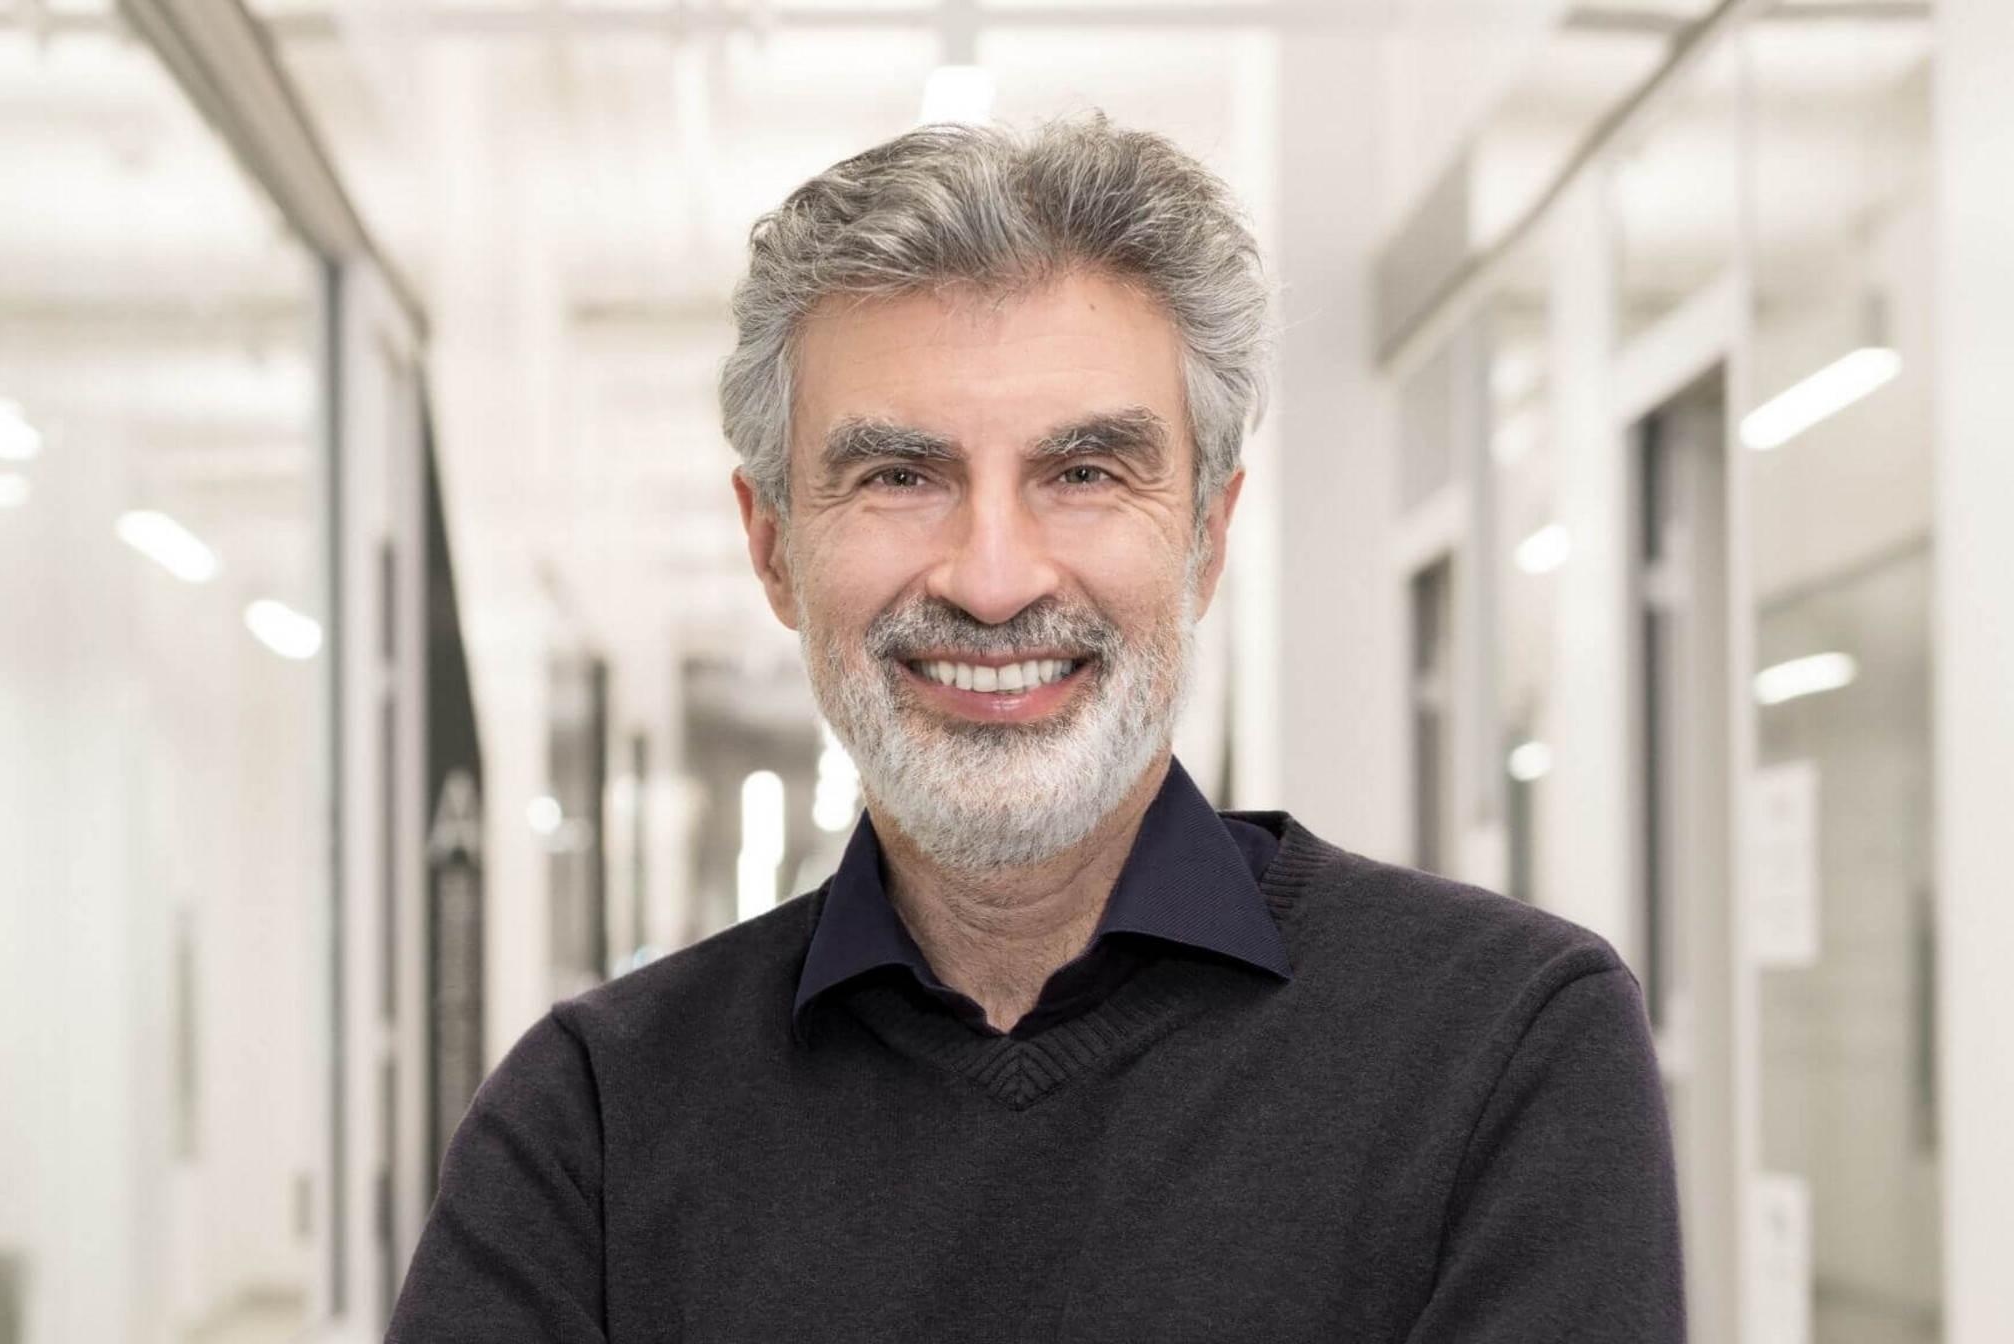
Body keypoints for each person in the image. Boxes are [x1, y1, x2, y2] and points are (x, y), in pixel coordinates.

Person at [387, 114, 1683, 1343]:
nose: (993, 579)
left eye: (1084, 474)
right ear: (773, 548)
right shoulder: (595, 1126)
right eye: (900, 476)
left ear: (1206, 536)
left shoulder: (1503, 1055)